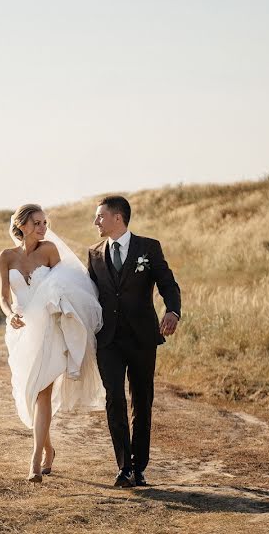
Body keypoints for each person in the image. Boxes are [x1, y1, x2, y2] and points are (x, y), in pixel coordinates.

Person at [0, 203, 105, 483]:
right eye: (37, 223)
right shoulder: (6, 257)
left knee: (42, 391)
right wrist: (10, 316)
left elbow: (70, 285)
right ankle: (48, 448)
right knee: (29, 392)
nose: (43, 228)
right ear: (22, 225)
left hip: (49, 329)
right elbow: (3, 298)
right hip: (22, 331)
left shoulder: (50, 251)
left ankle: (34, 461)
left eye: (45, 222)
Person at [87, 195, 181, 488]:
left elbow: (168, 283)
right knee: (114, 398)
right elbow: (88, 295)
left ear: (118, 217)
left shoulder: (148, 248)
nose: (96, 222)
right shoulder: (93, 254)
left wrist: (173, 311)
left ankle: (139, 467)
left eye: (100, 216)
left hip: (142, 338)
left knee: (142, 401)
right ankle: (123, 467)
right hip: (109, 340)